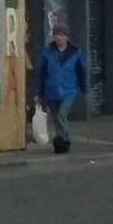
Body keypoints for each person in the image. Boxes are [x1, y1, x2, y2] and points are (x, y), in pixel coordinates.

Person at [36, 24, 88, 153]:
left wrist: (84, 89)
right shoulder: (47, 51)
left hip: (68, 90)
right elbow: (42, 73)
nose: (58, 38)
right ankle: (61, 142)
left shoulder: (75, 52)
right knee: (56, 118)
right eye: (56, 35)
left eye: (61, 35)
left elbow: (80, 71)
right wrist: (40, 93)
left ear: (67, 37)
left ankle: (65, 138)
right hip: (51, 91)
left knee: (61, 114)